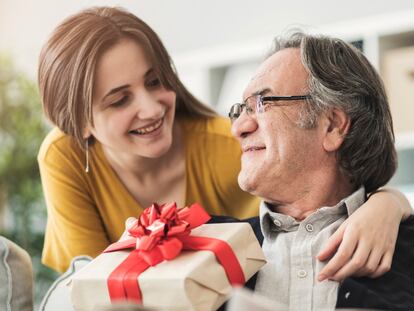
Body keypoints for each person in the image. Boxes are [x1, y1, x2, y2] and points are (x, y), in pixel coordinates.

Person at [37, 6, 411, 278]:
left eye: (154, 82)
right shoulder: (63, 156)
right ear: (81, 123)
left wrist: (388, 203)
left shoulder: (228, 143)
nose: (151, 108)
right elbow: (88, 284)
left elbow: (329, 176)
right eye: (120, 99)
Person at [228, 32, 414, 310]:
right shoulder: (206, 246)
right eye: (240, 109)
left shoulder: (406, 245)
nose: (238, 128)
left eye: (261, 104)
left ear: (332, 126)